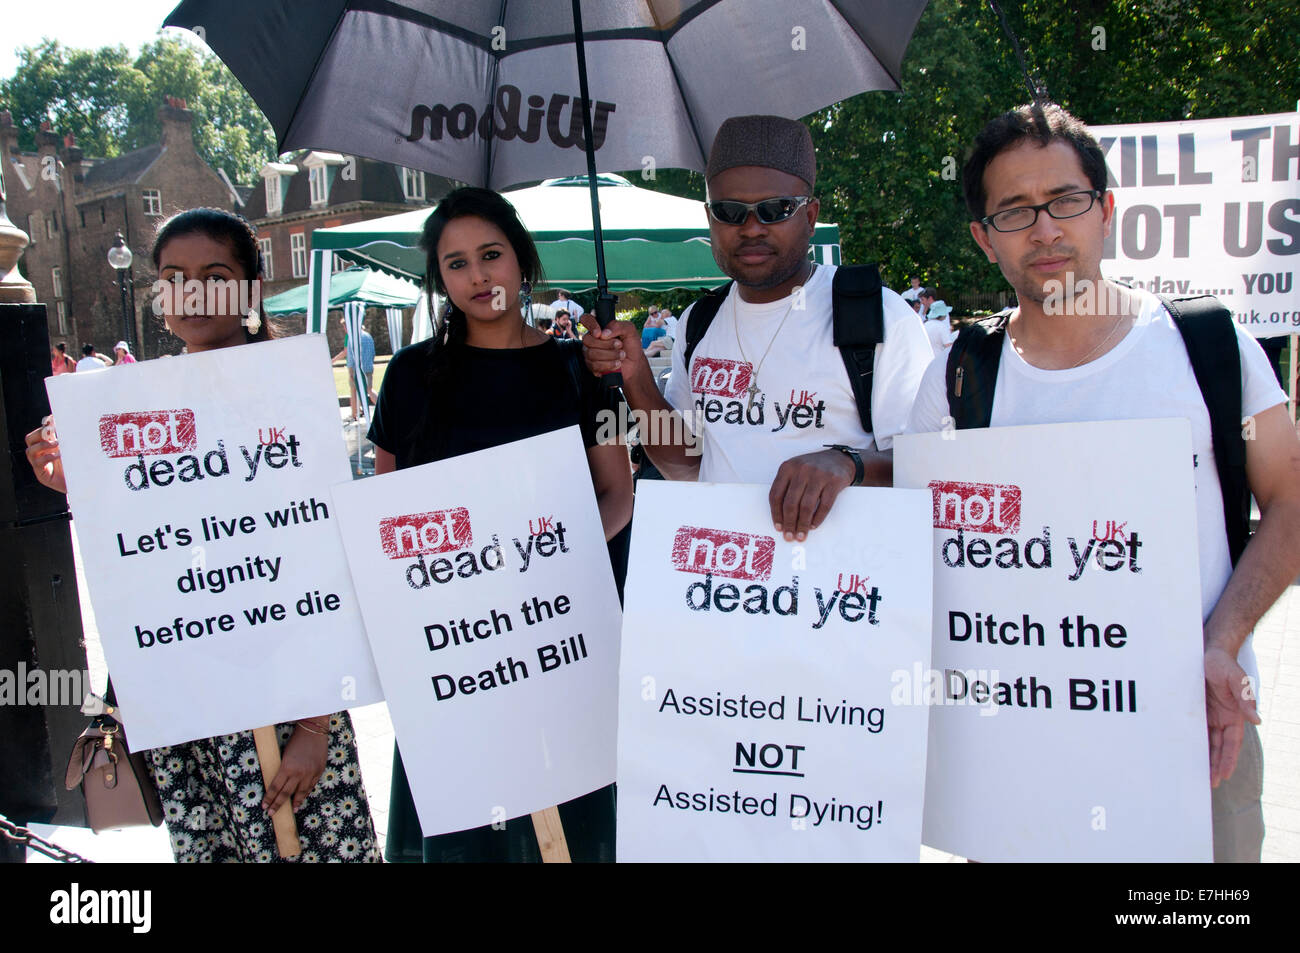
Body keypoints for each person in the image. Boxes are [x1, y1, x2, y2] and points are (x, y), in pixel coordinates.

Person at [906, 102, 1300, 863]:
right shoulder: (960, 377)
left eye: (1066, 201)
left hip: (1194, 735)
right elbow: (918, 530)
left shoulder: (1210, 345)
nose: (1045, 229)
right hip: (1015, 758)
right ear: (984, 239)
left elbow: (1290, 500)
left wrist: (1224, 640)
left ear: (1106, 209)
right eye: (1014, 210)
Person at [25, 207, 380, 863]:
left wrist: (312, 727)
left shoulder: (286, 394)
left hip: (289, 697)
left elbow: (328, 565)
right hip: (188, 703)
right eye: (172, 277)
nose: (191, 292)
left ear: (249, 289)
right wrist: (75, 486)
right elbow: (148, 547)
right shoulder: (132, 404)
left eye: (214, 275)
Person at [367, 186, 633, 863]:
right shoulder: (409, 375)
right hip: (453, 650)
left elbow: (618, 495)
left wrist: (546, 565)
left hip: (559, 637)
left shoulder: (584, 370)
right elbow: (385, 517)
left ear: (522, 259)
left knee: (575, 833)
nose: (478, 276)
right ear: (439, 279)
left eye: (491, 255)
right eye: (456, 264)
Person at [584, 114, 932, 541]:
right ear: (711, 218)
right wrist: (636, 377)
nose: (751, 228)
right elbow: (685, 465)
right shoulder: (700, 321)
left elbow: (928, 472)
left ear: (810, 215)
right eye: (730, 212)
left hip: (844, 591)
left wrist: (848, 463)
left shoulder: (877, 315)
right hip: (728, 585)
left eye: (775, 210)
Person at [332, 323, 378, 420]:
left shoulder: (352, 338)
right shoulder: (368, 336)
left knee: (353, 390)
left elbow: (350, 357)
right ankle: (381, 406)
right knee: (369, 389)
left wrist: (350, 371)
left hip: (357, 369)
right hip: (368, 367)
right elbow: (373, 352)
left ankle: (354, 413)